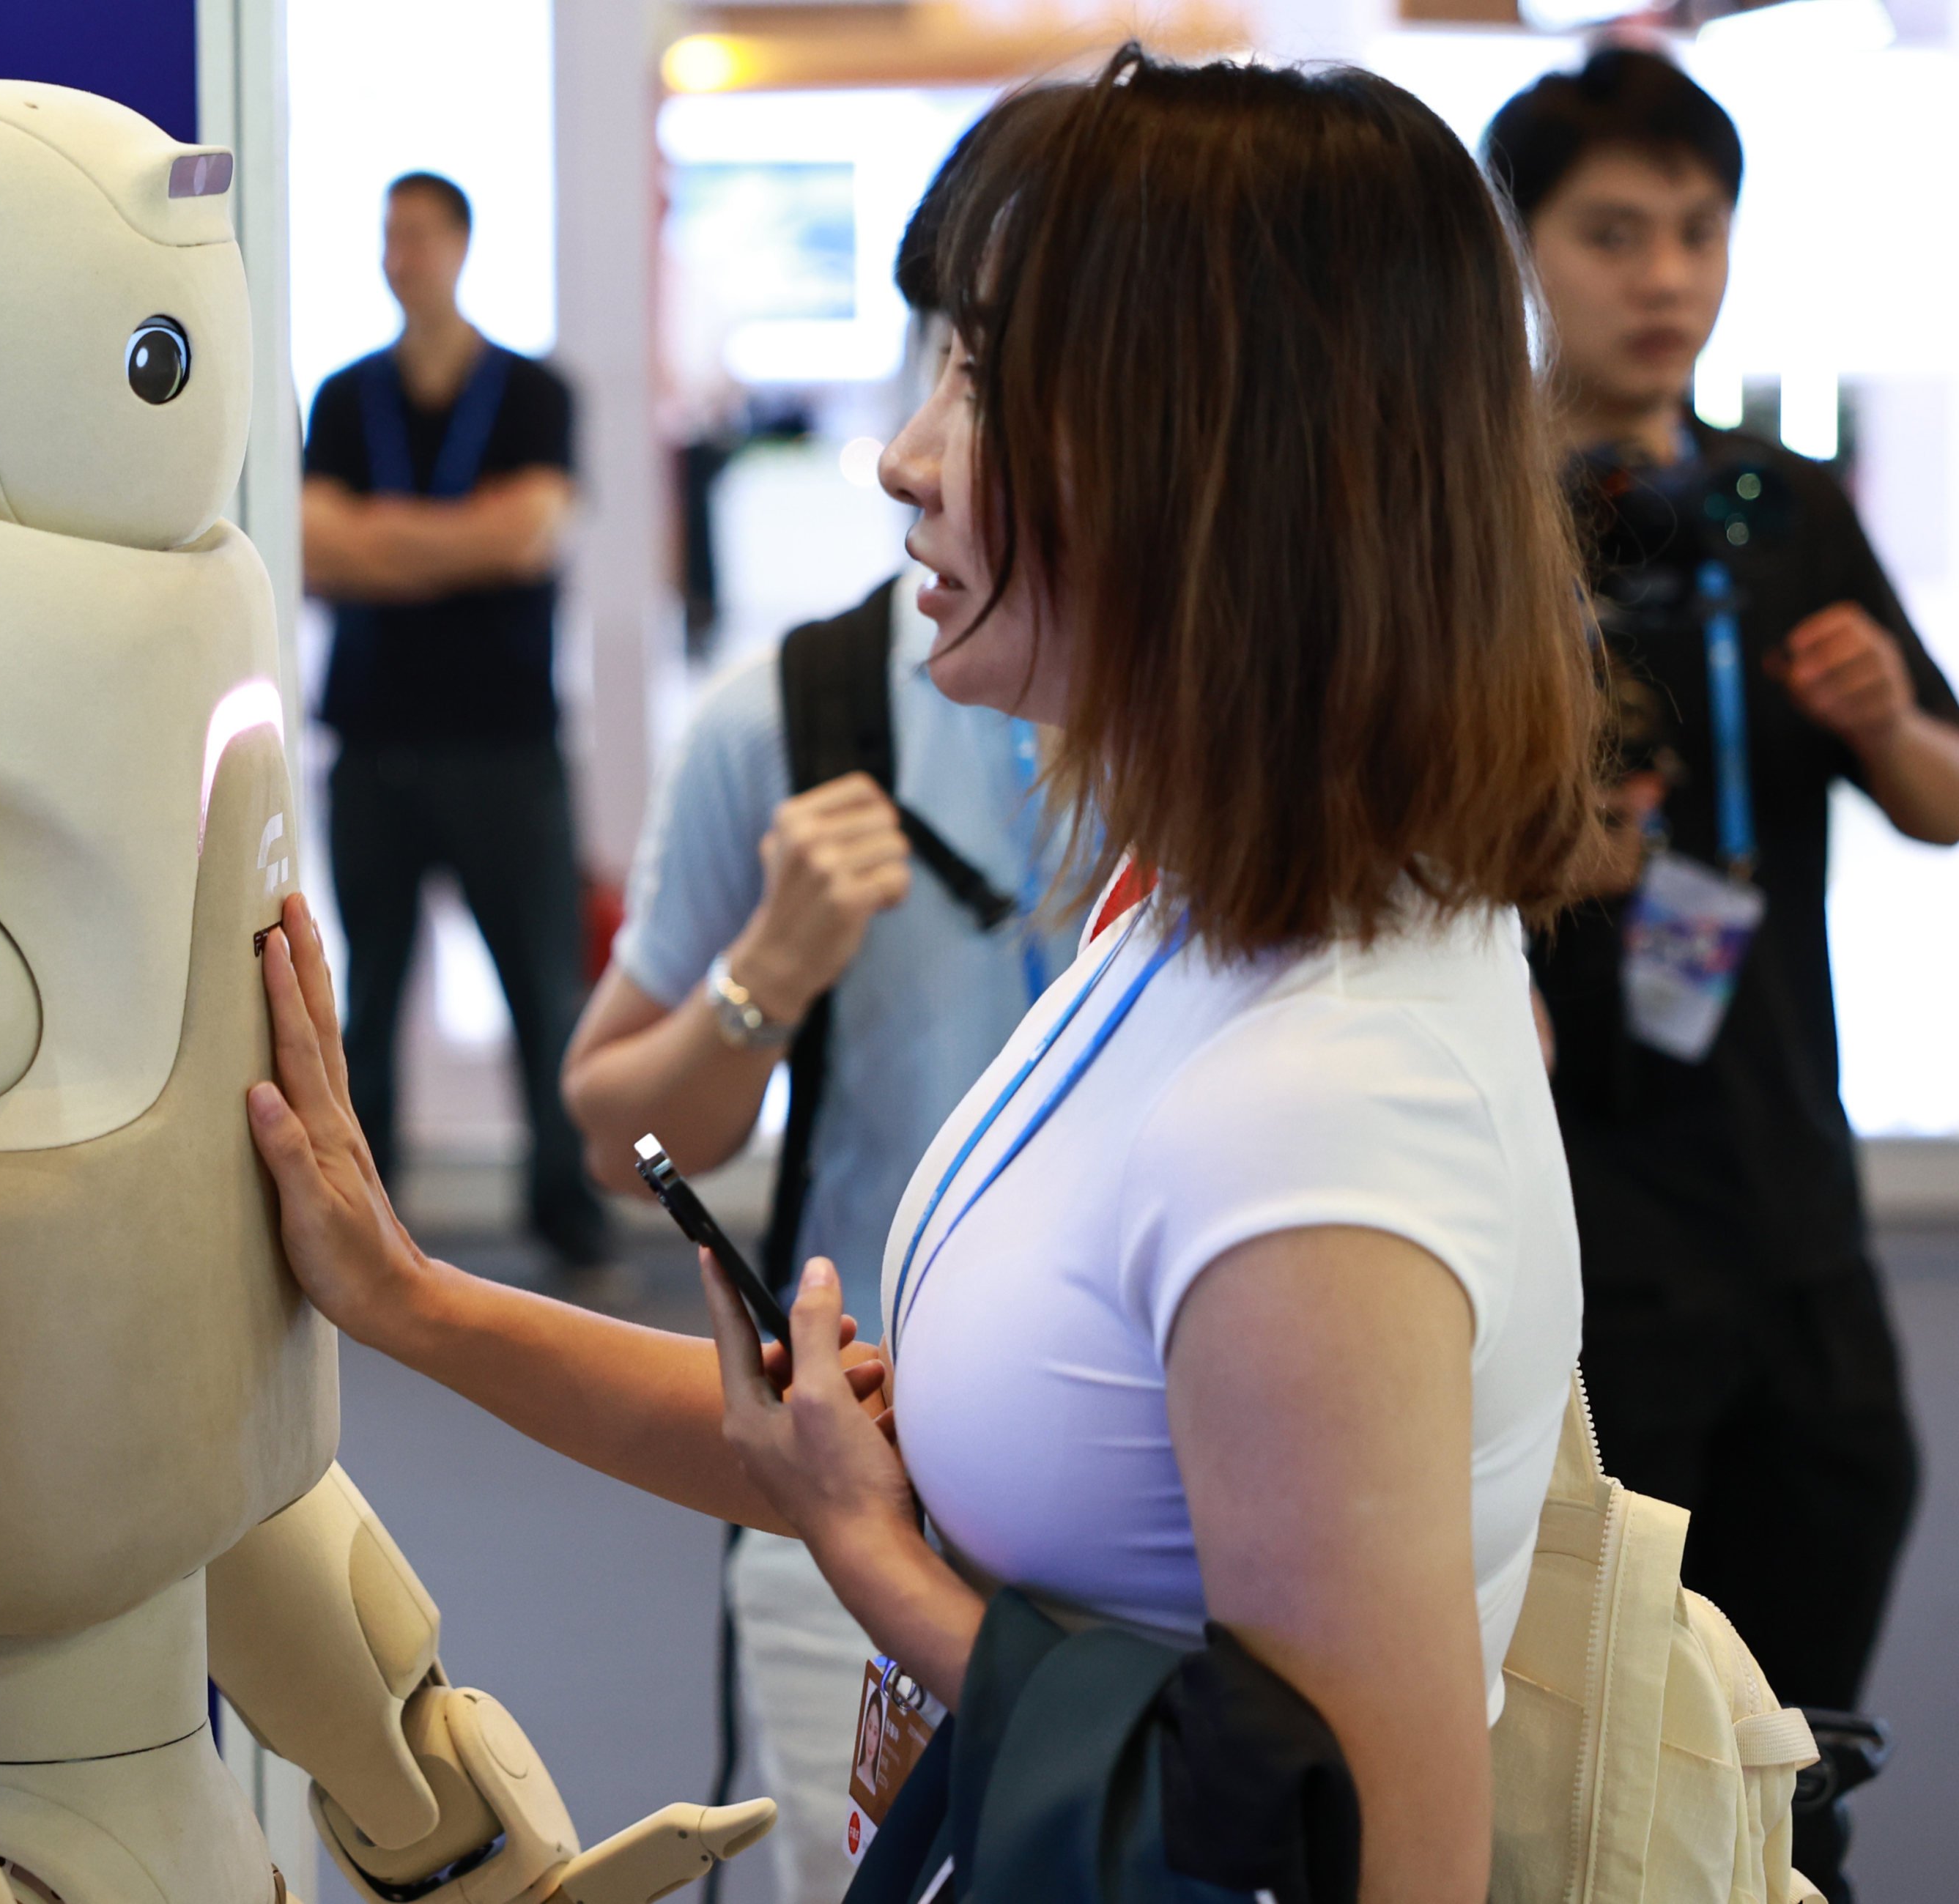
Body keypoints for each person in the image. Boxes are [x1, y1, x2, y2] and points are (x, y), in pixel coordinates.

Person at [248, 51, 1599, 1904]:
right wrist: (403, 1297)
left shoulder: (1314, 1102)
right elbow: (930, 1487)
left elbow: (1344, 1857)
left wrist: (874, 1560)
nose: (900, 454)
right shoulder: (1183, 911)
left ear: (1198, 458)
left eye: (975, 378)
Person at [558, 179, 1078, 1898]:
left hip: (1139, 1507)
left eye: (990, 373)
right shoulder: (790, 716)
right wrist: (761, 975)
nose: (910, 454)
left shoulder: (1285, 782)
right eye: (950, 355)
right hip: (857, 1483)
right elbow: (609, 1123)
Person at [1488, 50, 1959, 1744]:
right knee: (1605, 1709)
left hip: (1783, 1175)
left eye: (1695, 232)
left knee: (1820, 1602)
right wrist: (1542, 844)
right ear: (1518, 251)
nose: (1664, 276)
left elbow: (1939, 797)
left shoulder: (1780, 507)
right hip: (1573, 1203)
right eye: (1612, 234)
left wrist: (1880, 715)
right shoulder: (1466, 531)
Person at [300, 172, 612, 1279]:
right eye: (389, 237)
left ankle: (569, 1220)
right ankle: (369, 1232)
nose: (403, 256)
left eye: (420, 235)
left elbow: (529, 537)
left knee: (542, 990)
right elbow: (311, 547)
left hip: (506, 749)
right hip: (377, 748)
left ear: (461, 248)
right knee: (368, 1000)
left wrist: (381, 542)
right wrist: (458, 539)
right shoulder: (344, 399)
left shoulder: (531, 394)